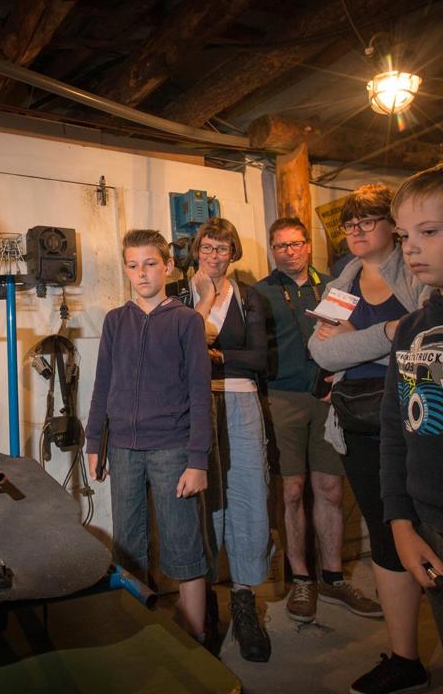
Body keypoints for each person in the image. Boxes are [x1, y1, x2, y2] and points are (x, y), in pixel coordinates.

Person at [308, 183, 430, 694]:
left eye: (367, 220)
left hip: (418, 418)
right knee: (386, 534)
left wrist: (353, 346)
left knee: (431, 526)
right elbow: (321, 353)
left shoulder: (420, 274)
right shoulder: (344, 283)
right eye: (348, 224)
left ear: (392, 226)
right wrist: (386, 335)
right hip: (359, 424)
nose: (356, 231)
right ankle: (405, 658)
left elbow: (427, 340)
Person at [85, 229, 211, 641]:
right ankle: (139, 635)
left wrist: (197, 460)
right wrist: (93, 443)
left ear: (168, 266)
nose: (141, 273)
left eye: (151, 263)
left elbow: (198, 392)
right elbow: (102, 384)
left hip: (173, 450)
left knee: (183, 544)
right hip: (122, 449)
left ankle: (195, 639)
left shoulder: (187, 321)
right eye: (133, 265)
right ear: (125, 269)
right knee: (127, 547)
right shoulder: (115, 321)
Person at [255, 217, 380, 623]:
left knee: (328, 487)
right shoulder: (259, 292)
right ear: (272, 250)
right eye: (280, 246)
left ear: (307, 245)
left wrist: (335, 380)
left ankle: (333, 577)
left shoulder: (335, 286)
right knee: (290, 490)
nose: (288, 251)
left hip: (328, 396)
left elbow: (346, 338)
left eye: (295, 243)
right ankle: (302, 580)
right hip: (282, 399)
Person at [188, 217, 271, 663]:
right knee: (204, 501)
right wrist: (202, 303)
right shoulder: (182, 298)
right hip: (196, 406)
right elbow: (178, 352)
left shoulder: (250, 298)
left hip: (240, 401)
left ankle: (244, 603)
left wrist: (215, 354)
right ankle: (208, 608)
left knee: (247, 496)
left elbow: (257, 358)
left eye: (222, 249)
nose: (214, 255)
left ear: (233, 253)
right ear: (196, 250)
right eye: (207, 247)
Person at [381, 165, 443, 690]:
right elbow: (396, 431)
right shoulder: (413, 329)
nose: (410, 247)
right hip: (430, 524)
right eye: (403, 236)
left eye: (430, 231)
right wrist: (402, 523)